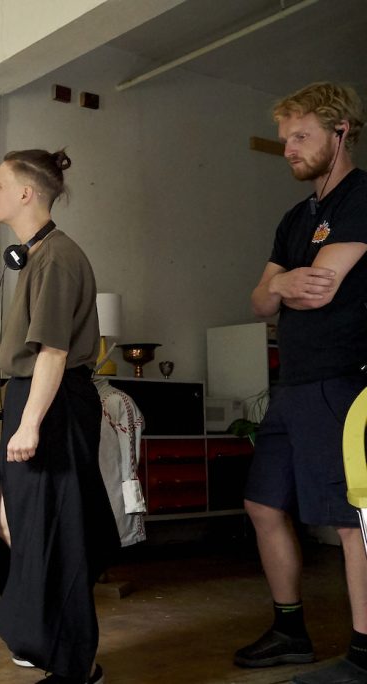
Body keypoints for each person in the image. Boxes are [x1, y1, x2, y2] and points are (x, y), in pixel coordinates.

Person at [0, 149, 118, 684]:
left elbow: (53, 352)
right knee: (12, 523)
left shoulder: (57, 257)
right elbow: (36, 344)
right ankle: (52, 644)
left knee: (57, 533)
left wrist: (29, 425)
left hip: (51, 407)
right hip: (34, 396)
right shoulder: (38, 253)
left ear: (26, 192)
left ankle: (75, 667)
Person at [239, 81, 367, 684]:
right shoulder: (296, 217)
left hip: (342, 382)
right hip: (292, 386)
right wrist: (283, 285)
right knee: (263, 503)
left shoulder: (362, 197)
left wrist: (285, 285)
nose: (288, 148)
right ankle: (290, 630)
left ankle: (365, 655)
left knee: (350, 519)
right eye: (286, 137)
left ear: (340, 133)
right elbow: (261, 300)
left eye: (302, 136)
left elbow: (320, 286)